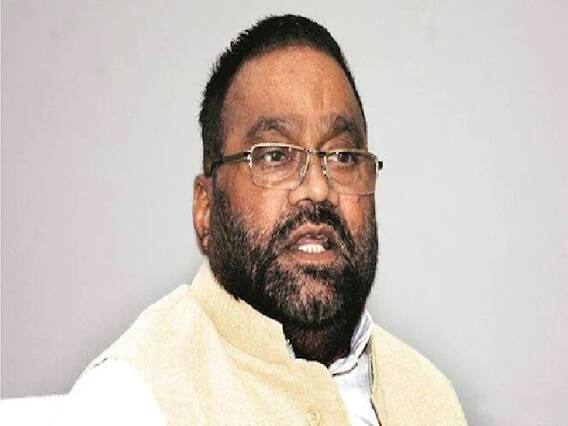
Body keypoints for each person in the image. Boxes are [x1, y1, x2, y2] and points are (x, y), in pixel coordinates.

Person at [61, 14, 467, 426]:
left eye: (343, 156)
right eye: (275, 155)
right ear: (205, 208)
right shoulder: (131, 399)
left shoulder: (430, 395)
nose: (318, 189)